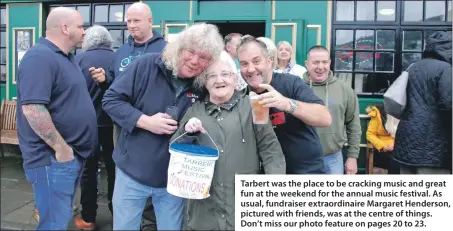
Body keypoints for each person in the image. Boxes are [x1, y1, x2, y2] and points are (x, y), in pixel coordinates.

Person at [102, 22, 224, 230]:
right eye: (191, 52)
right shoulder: (146, 65)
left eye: (203, 57)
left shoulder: (203, 86)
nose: (195, 61)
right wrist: (145, 121)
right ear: (179, 47)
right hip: (132, 171)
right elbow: (111, 100)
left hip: (174, 180)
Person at [171, 51, 286, 230]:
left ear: (235, 78)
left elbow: (270, 150)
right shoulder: (195, 110)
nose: (219, 80)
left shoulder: (256, 105)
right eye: (212, 76)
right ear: (204, 82)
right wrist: (187, 132)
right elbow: (175, 149)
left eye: (225, 74)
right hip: (205, 209)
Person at [16, 7, 97, 230]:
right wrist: (62, 149)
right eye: (80, 26)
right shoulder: (39, 57)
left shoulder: (66, 57)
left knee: (59, 219)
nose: (84, 31)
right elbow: (33, 109)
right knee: (53, 223)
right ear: (64, 28)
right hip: (52, 160)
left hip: (67, 158)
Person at [88, 3, 165, 229]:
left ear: (150, 21)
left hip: (154, 125)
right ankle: (131, 217)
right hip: (122, 125)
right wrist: (104, 80)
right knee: (124, 170)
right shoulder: (122, 51)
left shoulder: (165, 48)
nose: (131, 25)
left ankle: (151, 221)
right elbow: (114, 88)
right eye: (129, 21)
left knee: (153, 173)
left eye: (136, 21)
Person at [237, 36, 332, 174]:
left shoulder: (291, 83)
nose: (250, 69)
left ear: (269, 62)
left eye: (256, 61)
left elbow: (325, 118)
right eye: (244, 64)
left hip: (305, 174)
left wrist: (286, 103)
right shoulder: (242, 96)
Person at [73, 25, 116, 230]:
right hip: (114, 124)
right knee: (115, 168)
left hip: (87, 125)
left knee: (88, 171)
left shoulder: (78, 61)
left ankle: (88, 218)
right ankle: (119, 215)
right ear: (108, 40)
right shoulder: (118, 59)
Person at [393, 31, 452, 174]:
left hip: (406, 138)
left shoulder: (413, 67)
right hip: (433, 143)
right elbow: (448, 104)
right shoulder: (446, 69)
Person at [302, 45, 361, 175]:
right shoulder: (296, 87)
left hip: (333, 158)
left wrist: (352, 157)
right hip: (302, 158)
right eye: (316, 62)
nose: (320, 67)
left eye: (324, 62)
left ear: (330, 63)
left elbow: (354, 124)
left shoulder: (344, 89)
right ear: (307, 64)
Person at [366, 104, 399, 174]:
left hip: (399, 146)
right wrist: (383, 146)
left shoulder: (405, 112)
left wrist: (395, 144)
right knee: (393, 161)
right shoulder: (379, 113)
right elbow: (370, 134)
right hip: (381, 148)